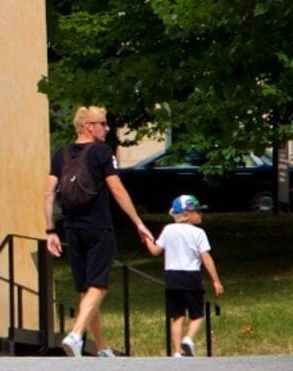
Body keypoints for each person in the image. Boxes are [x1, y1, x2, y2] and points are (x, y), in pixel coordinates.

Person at [46, 106, 157, 355]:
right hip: (99, 227)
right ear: (89, 127)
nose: (107, 128)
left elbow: (47, 194)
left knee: (86, 290)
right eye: (103, 123)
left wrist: (50, 231)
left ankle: (102, 348)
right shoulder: (101, 152)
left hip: (72, 229)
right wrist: (138, 222)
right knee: (99, 285)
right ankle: (75, 335)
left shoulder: (60, 155)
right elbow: (117, 189)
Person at [157, 195, 223, 355]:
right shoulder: (198, 232)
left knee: (177, 316)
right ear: (186, 214)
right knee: (197, 314)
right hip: (191, 276)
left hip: (171, 277)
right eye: (197, 212)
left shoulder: (168, 229)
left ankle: (177, 352)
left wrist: (145, 237)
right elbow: (205, 257)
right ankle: (188, 339)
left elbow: (155, 250)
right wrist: (216, 281)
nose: (201, 214)